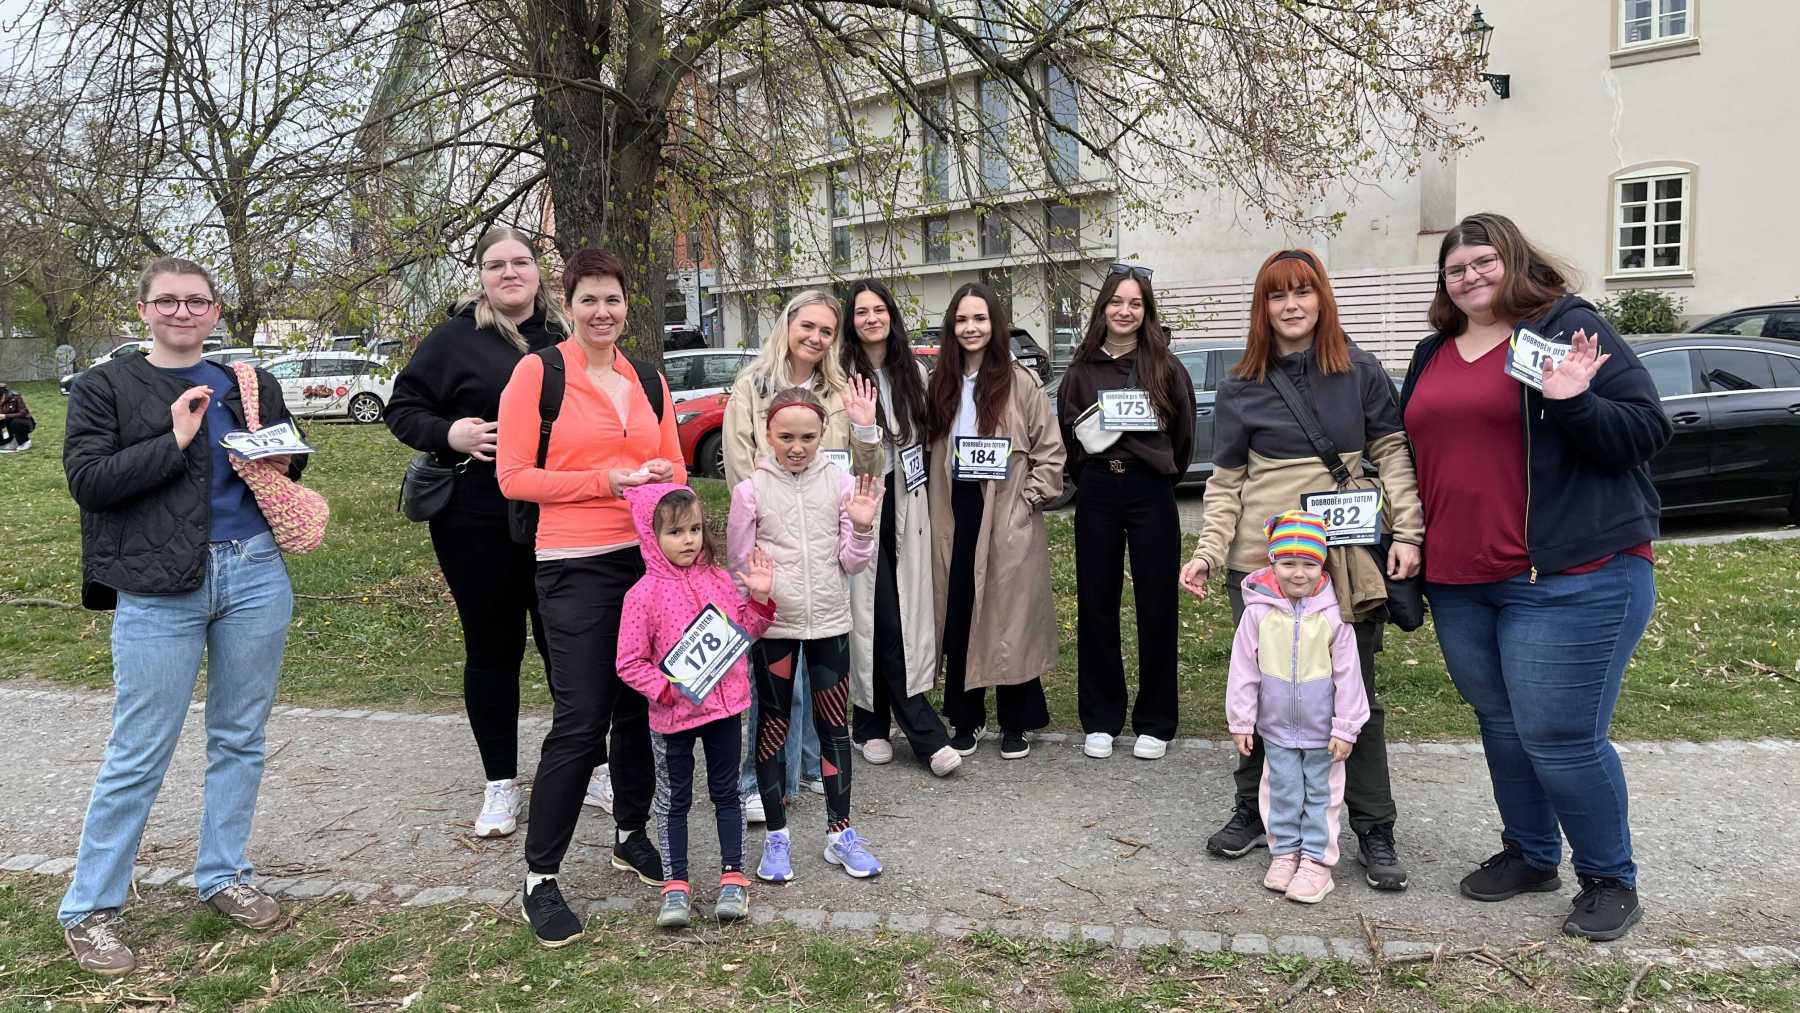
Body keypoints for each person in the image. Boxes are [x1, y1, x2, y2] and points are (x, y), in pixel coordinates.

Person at [1399, 213, 1670, 942]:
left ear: (1514, 261)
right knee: (1501, 723)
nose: (1470, 277)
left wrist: (1574, 400)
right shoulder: (1432, 350)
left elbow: (1646, 430)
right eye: (1456, 268)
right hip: (1460, 578)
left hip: (1569, 575)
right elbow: (1414, 453)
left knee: (1559, 734)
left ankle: (1610, 878)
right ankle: (1530, 853)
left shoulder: (1566, 328)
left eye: (1483, 262)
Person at [58, 257, 310, 976]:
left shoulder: (249, 381)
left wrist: (280, 459)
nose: (182, 312)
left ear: (215, 310)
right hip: (156, 586)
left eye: (196, 301)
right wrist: (171, 439)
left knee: (240, 735)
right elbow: (89, 482)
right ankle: (89, 908)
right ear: (143, 310)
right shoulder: (105, 386)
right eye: (166, 301)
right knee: (139, 749)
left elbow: (285, 458)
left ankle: (224, 873)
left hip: (254, 572)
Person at [1179, 248, 1422, 892]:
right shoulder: (1241, 385)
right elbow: (1226, 485)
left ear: (1321, 298)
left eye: (1302, 291)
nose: (1291, 305)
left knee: (1351, 692)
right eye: (1277, 295)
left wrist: (1409, 532)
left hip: (1339, 565)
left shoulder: (1360, 371)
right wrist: (1207, 552)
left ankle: (1373, 826)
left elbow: (1393, 455)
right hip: (1260, 568)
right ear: (1262, 307)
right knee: (1263, 690)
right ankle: (1256, 810)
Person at [496, 248, 686, 947]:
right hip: (573, 563)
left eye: (613, 299)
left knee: (639, 705)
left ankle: (631, 833)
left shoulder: (648, 380)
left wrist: (661, 478)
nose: (602, 312)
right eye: (589, 300)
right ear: (568, 305)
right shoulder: (538, 373)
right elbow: (514, 477)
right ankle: (539, 877)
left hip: (644, 561)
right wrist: (606, 482)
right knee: (582, 718)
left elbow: (676, 471)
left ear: (627, 305)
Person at [385, 226, 561, 838]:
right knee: (493, 648)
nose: (509, 273)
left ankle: (587, 766)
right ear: (481, 276)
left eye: (520, 262)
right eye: (495, 264)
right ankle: (500, 783)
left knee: (566, 647)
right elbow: (403, 409)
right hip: (475, 519)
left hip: (559, 514)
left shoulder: (565, 335)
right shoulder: (454, 338)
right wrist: (449, 433)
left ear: (538, 271)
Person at [722, 290, 885, 822]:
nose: (815, 338)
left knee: (820, 671)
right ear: (787, 325)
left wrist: (866, 429)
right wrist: (762, 529)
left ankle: (812, 767)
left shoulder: (840, 391)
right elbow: (741, 471)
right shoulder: (752, 386)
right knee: (774, 686)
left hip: (827, 541)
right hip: (773, 546)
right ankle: (761, 782)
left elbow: (864, 471)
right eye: (807, 326)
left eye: (826, 331)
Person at [614, 484, 778, 929]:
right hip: (673, 719)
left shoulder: (719, 580)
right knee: (674, 800)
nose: (688, 540)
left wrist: (760, 599)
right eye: (674, 532)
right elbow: (629, 662)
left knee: (728, 793)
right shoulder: (641, 596)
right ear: (651, 536)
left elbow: (743, 632)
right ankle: (675, 885)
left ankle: (733, 878)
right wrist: (666, 690)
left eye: (694, 529)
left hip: (725, 710)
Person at [1055, 263, 1195, 761]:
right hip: (1098, 491)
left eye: (1135, 303)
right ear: (1103, 308)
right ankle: (1101, 717)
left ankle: (1156, 721)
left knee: (1157, 604)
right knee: (1096, 603)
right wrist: (1096, 474)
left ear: (1146, 311)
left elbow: (1183, 437)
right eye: (1117, 301)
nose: (1125, 311)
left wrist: (1154, 475)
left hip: (1150, 492)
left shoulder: (1166, 368)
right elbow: (1070, 436)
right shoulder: (1080, 370)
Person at [925, 282, 1065, 760]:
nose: (971, 328)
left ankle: (1015, 721)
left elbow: (1050, 451)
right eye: (962, 320)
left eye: (980, 319)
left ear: (995, 324)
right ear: (952, 326)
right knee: (961, 609)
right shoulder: (939, 382)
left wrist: (1028, 500)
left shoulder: (1020, 382)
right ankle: (965, 717)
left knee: (1009, 615)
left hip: (1005, 509)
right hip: (953, 509)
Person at [839, 280, 960, 777]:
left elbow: (927, 440)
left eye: (879, 309)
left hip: (907, 503)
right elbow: (849, 453)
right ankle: (924, 734)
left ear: (892, 315)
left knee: (900, 613)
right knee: (878, 613)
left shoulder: (914, 372)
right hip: (861, 501)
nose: (871, 318)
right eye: (861, 311)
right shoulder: (842, 374)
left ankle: (870, 724)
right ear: (851, 321)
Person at [1224, 511, 1369, 905]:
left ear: (1322, 565)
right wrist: (1241, 721)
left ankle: (1317, 863)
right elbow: (1243, 670)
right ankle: (1285, 853)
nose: (1299, 574)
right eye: (1288, 563)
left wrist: (1346, 727)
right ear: (1272, 562)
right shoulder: (1257, 612)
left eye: (1309, 564)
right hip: (1276, 729)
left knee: (1321, 797)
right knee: (1282, 792)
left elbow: (1349, 677)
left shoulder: (1335, 616)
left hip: (1324, 733)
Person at [0, 380, 34, 450]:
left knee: (15, 423)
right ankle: (9, 441)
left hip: (23, 422)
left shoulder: (16, 397)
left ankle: (25, 442)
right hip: (5, 425)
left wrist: (5, 416)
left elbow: (23, 413)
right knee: (2, 444)